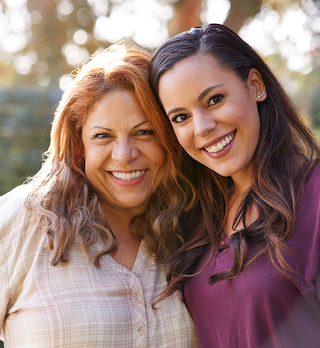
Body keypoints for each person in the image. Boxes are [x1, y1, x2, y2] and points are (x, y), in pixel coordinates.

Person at [0, 44, 200, 347]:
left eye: (145, 132)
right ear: (80, 147)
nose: (124, 155)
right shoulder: (28, 219)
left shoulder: (196, 232)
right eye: (103, 136)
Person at [149, 23, 320, 348]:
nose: (202, 128)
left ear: (255, 85)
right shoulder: (199, 216)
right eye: (180, 117)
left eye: (214, 99)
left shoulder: (315, 193)